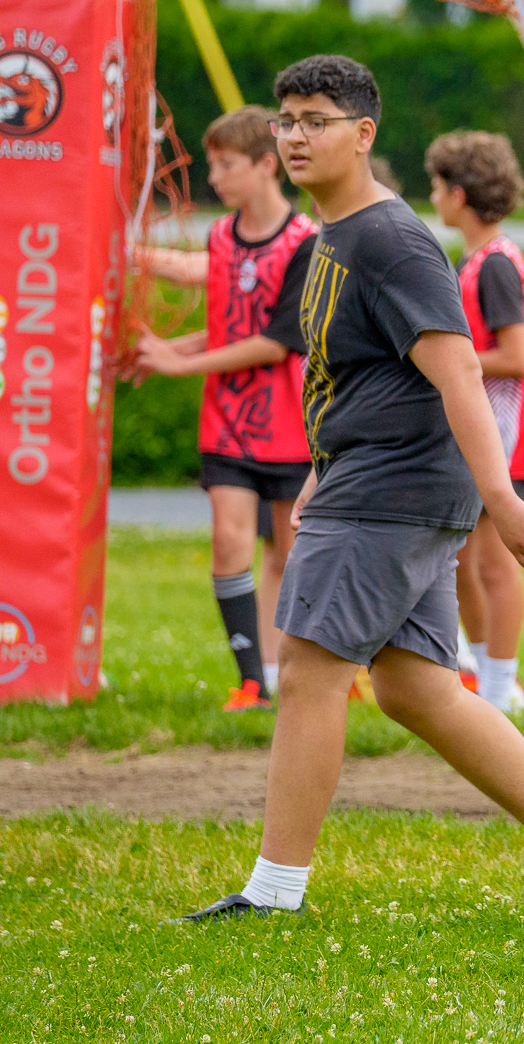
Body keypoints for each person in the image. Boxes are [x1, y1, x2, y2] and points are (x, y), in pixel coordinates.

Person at [178, 55, 524, 922]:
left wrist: (500, 497)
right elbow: (351, 378)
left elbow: (459, 366)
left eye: (316, 118)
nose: (296, 135)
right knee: (413, 686)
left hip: (392, 488)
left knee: (309, 671)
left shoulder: (389, 238)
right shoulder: (329, 241)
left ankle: (274, 894)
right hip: (369, 480)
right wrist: (321, 472)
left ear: (364, 134)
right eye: (286, 120)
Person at [131, 104, 316, 711]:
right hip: (229, 424)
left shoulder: (305, 242)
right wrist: (160, 349)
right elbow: (227, 328)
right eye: (211, 164)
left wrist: (179, 364)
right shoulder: (220, 237)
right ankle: (249, 681)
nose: (214, 177)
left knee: (289, 556)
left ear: (267, 166)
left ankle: (289, 671)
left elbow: (275, 340)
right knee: (229, 540)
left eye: (226, 164)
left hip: (292, 425)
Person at [426, 130, 524, 713]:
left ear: (458, 194)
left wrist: (451, 363)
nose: (432, 196)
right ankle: (481, 674)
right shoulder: (473, 261)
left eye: (435, 185)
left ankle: (502, 688)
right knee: (467, 564)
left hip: (510, 439)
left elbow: (518, 357)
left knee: (497, 566)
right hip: (483, 440)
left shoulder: (496, 265)